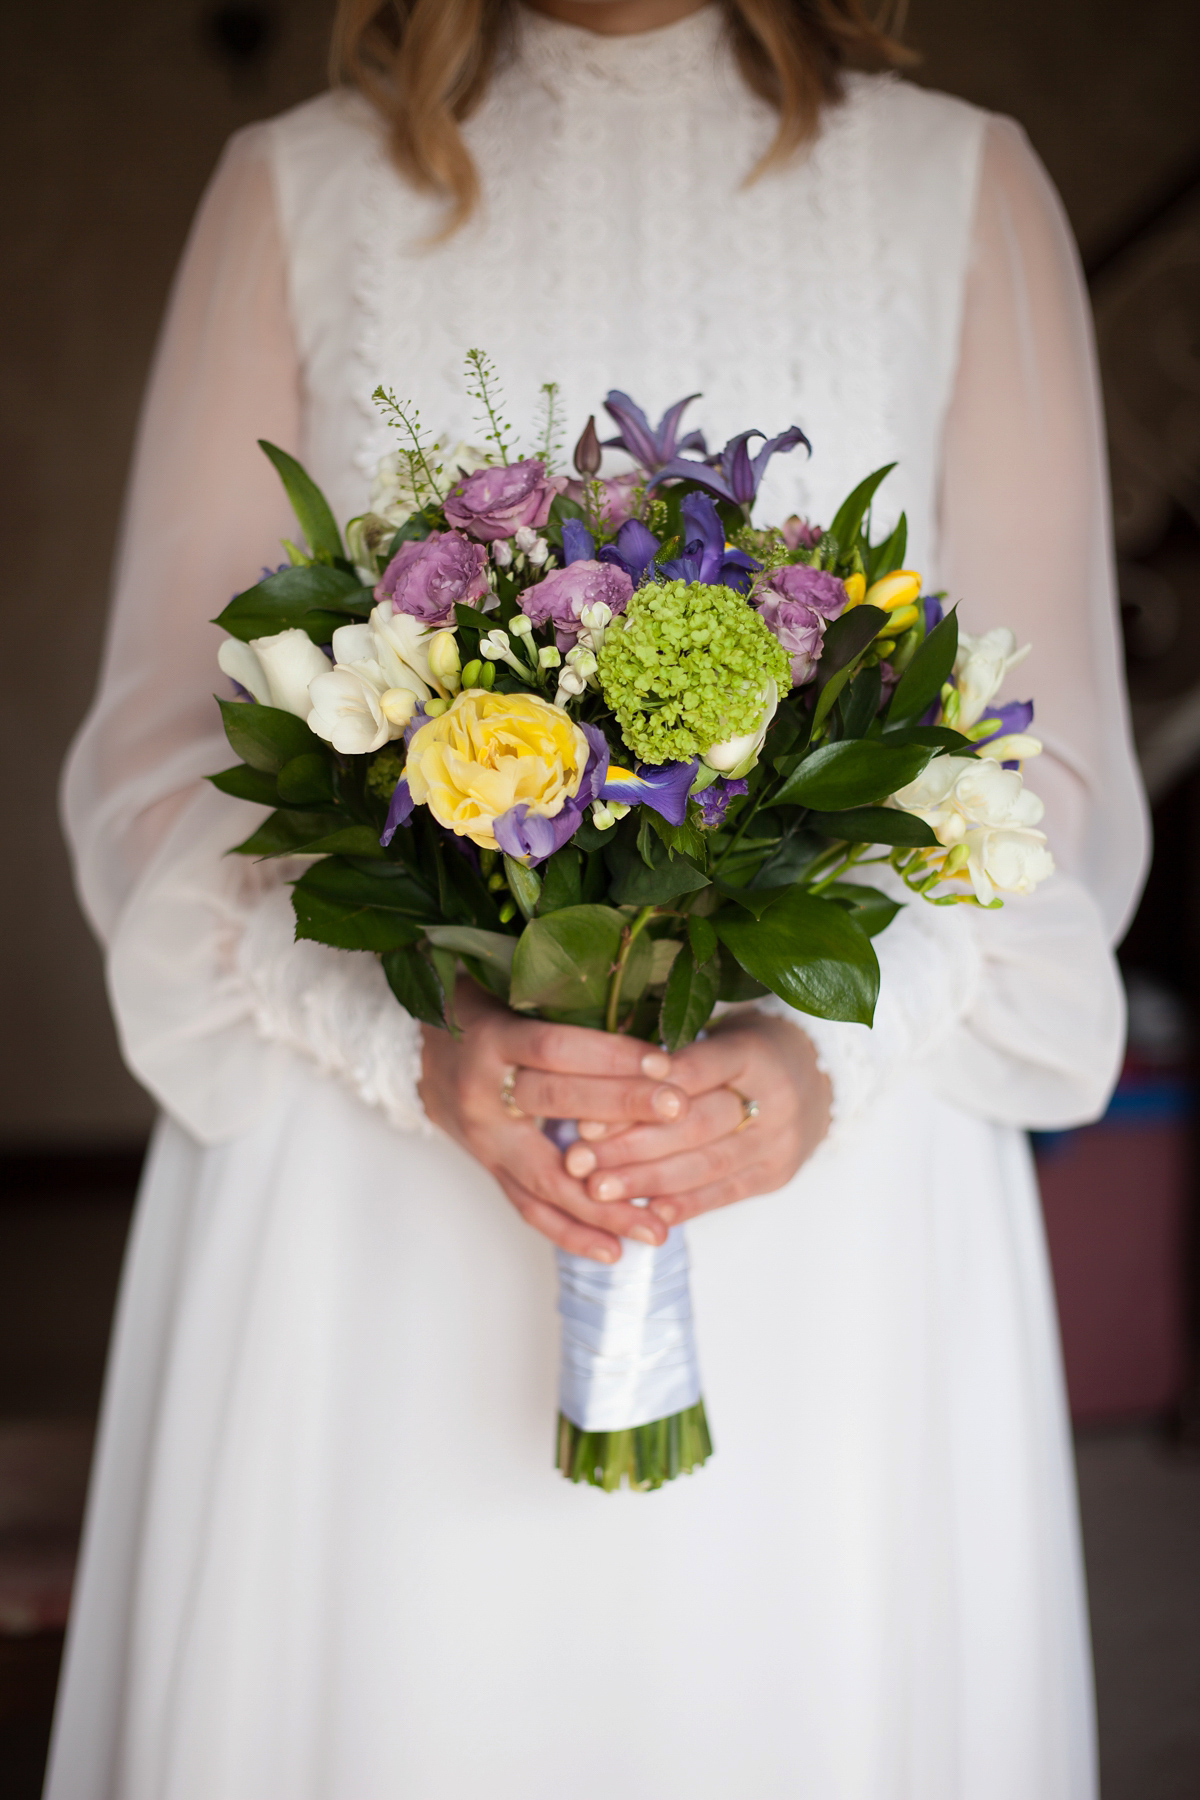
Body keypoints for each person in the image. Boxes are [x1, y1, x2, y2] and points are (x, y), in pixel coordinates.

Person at [50, 0, 1148, 1794]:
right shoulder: (294, 190)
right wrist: (398, 1040)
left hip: (830, 1208)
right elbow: (170, 749)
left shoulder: (965, 186)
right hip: (378, 1187)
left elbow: (1053, 771)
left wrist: (816, 1072)